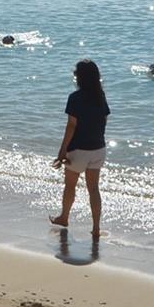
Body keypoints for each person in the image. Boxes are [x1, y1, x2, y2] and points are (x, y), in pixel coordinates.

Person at [49, 59, 109, 237]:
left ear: (80, 78)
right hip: (99, 148)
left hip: (78, 150)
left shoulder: (75, 98)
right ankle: (96, 228)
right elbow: (104, 120)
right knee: (94, 189)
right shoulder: (101, 97)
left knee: (70, 186)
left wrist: (62, 151)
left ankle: (64, 217)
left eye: (76, 74)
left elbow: (71, 126)